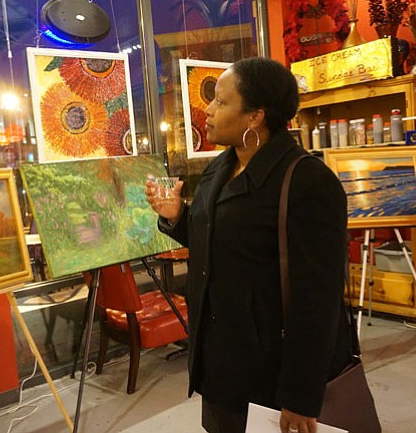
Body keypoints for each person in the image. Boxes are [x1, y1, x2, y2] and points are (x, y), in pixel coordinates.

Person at [145, 57, 352, 433]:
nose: (207, 110)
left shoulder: (308, 182)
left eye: (221, 102)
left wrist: (301, 396)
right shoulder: (221, 167)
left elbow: (318, 301)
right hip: (219, 361)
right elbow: (215, 244)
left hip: (270, 372)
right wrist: (177, 216)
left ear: (255, 117)